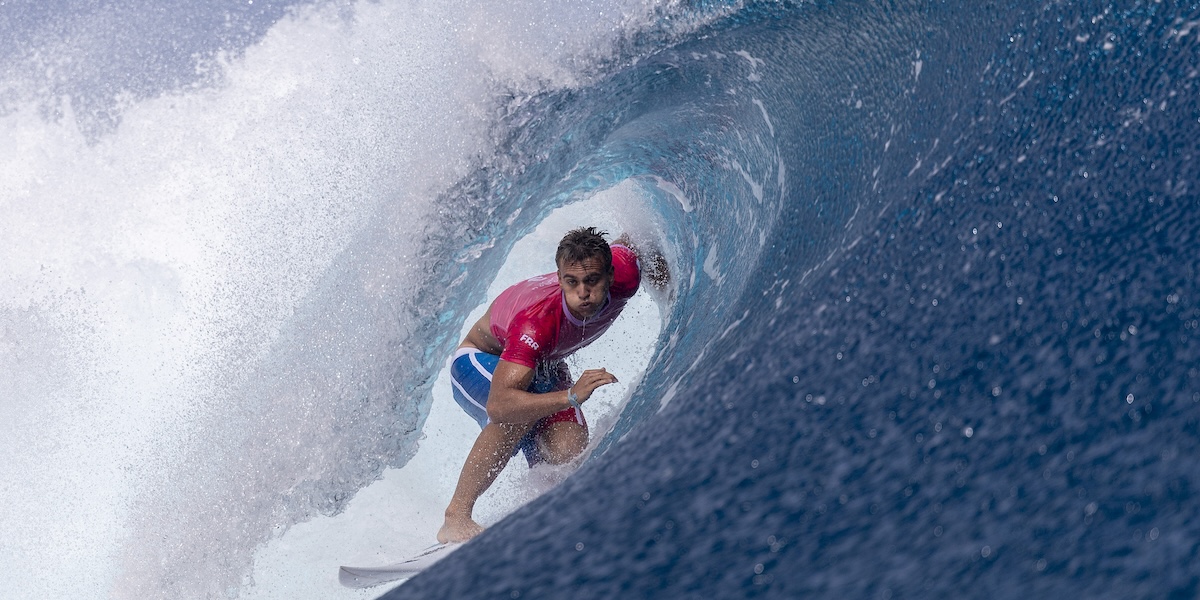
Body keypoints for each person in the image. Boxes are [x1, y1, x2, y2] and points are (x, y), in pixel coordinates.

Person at [438, 226, 668, 543]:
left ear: (611, 276)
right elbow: (500, 404)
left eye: (592, 281)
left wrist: (671, 291)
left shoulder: (626, 273)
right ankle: (456, 517)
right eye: (571, 282)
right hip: (479, 361)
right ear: (560, 279)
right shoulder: (537, 321)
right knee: (517, 413)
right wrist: (571, 396)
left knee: (567, 455)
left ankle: (540, 506)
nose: (583, 293)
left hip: (544, 364)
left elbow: (633, 241)